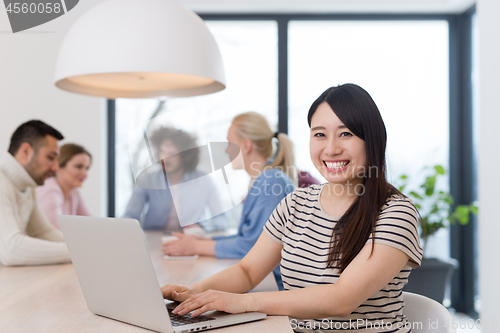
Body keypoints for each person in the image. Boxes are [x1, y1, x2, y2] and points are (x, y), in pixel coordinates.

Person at [160, 84, 423, 333]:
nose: (331, 149)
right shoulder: (296, 203)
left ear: (372, 139)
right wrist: (194, 292)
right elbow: (247, 271)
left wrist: (243, 302)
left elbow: (342, 300)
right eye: (319, 134)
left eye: (346, 133)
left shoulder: (396, 214)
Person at [162, 112, 295, 290]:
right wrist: (203, 241)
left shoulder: (270, 181)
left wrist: (195, 246)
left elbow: (251, 247)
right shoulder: (262, 179)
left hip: (275, 286)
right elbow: (248, 238)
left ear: (246, 146)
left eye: (229, 143)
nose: (226, 150)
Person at [123, 127, 228, 233]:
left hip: (188, 242)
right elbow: (130, 216)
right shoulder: (147, 180)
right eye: (163, 152)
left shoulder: (204, 181)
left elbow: (222, 220)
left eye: (172, 153)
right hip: (152, 240)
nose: (165, 158)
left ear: (185, 156)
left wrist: (201, 227)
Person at [0, 120, 71, 266]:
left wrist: (85, 247)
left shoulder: (27, 185)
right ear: (26, 151)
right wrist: (78, 253)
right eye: (50, 158)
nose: (56, 167)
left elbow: (42, 232)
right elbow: (11, 249)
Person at [36, 143, 92, 229]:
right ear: (58, 166)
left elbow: (92, 224)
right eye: (79, 166)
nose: (85, 174)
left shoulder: (74, 193)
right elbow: (53, 231)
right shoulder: (50, 189)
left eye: (87, 168)